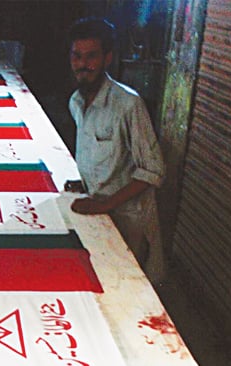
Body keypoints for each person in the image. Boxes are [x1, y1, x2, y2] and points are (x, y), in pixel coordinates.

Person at [66, 17, 166, 284]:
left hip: (127, 221)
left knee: (126, 285)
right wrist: (86, 181)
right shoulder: (76, 102)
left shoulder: (128, 105)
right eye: (76, 56)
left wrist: (103, 204)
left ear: (107, 58)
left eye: (91, 56)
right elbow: (102, 155)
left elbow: (154, 171)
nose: (83, 64)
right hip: (98, 213)